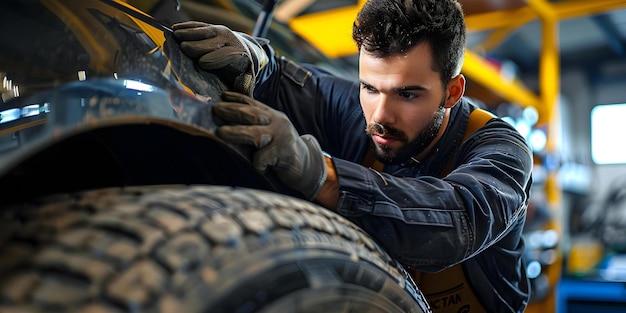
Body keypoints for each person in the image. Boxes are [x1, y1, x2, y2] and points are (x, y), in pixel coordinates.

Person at [172, 0, 533, 311]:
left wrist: (320, 173)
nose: (379, 117)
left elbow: (456, 220)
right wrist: (256, 58)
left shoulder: (501, 152)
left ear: (452, 92)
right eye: (369, 88)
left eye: (407, 94)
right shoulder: (361, 111)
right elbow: (291, 82)